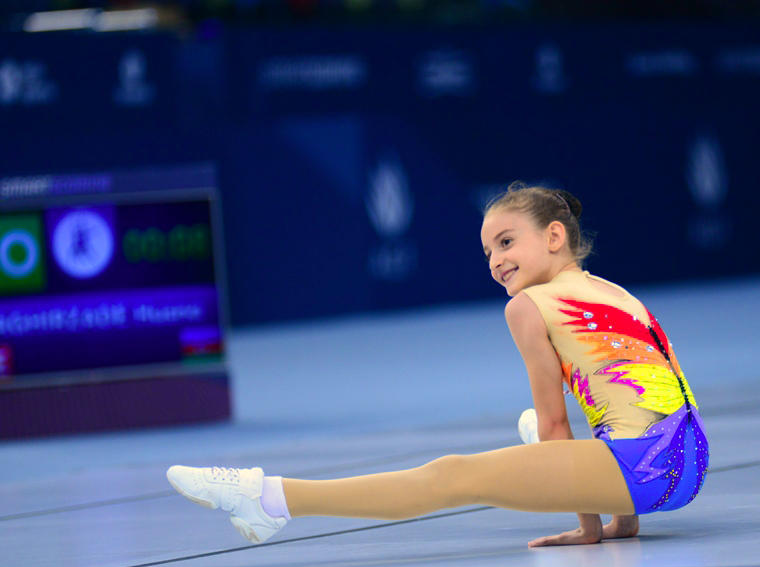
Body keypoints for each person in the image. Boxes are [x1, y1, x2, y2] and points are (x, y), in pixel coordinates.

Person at [167, 183, 709, 547]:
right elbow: (648, 394)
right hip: (688, 462)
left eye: (506, 242)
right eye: (487, 252)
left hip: (643, 468)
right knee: (579, 415)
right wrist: (622, 522)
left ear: (553, 235)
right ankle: (602, 490)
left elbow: (554, 422)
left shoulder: (528, 307)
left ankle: (270, 499)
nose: (496, 260)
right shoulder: (612, 291)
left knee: (455, 474)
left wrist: (590, 526)